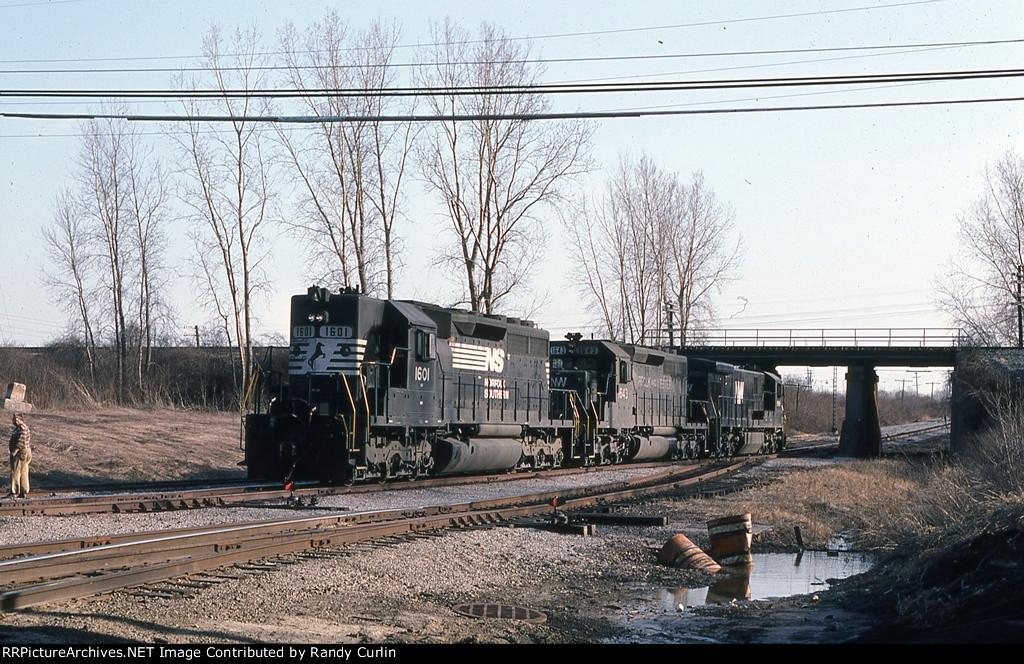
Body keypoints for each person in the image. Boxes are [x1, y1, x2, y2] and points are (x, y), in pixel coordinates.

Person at [8, 413, 31, 499]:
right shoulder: (19, 428)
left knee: (16, 471)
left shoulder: (22, 428)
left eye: (15, 419)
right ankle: (23, 492)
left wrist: (14, 451)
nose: (13, 421)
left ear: (19, 419)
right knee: (23, 472)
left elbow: (21, 441)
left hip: (21, 452)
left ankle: (14, 491)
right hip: (24, 452)